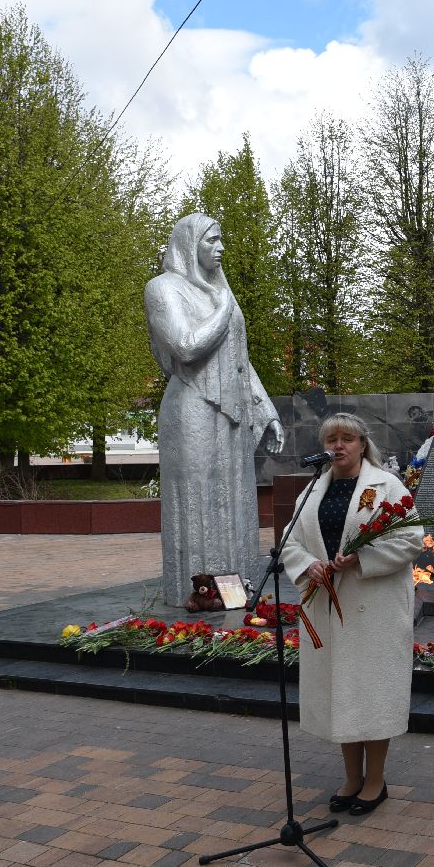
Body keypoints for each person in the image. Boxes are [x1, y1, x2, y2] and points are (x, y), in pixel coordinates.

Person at [281, 412, 424, 817]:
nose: (338, 446)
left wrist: (361, 558)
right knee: (341, 693)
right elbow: (290, 541)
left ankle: (375, 781)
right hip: (328, 604)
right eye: (331, 440)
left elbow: (410, 539)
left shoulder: (387, 486)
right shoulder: (313, 490)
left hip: (372, 606)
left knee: (372, 694)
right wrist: (306, 563)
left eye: (347, 439)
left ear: (363, 444)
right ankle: (351, 777)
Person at [145, 214, 283, 609]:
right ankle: (194, 591)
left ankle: (235, 591)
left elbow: (238, 358)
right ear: (190, 245)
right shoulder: (163, 288)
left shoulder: (219, 289)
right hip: (191, 407)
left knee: (233, 497)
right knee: (197, 498)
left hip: (232, 411)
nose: (220, 248)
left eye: (221, 240)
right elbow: (185, 346)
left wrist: (265, 411)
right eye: (212, 241)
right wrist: (224, 307)